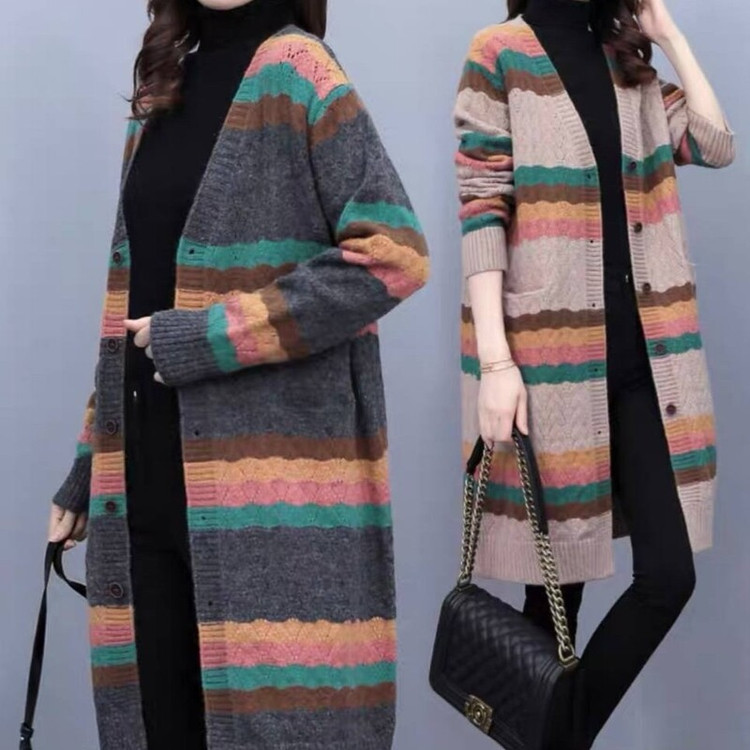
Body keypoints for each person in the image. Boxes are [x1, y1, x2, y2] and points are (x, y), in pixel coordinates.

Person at [46, 1, 429, 748]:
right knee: (159, 724)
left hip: (265, 500)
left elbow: (394, 257)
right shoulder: (162, 87)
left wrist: (212, 337)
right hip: (146, 481)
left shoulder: (300, 72)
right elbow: (131, 299)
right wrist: (89, 466)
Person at [454, 0, 734, 746]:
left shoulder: (626, 58)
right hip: (548, 372)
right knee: (555, 605)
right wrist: (495, 362)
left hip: (645, 369)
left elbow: (715, 143)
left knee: (667, 576)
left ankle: (553, 738)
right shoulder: (499, 52)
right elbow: (482, 210)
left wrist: (667, 33)